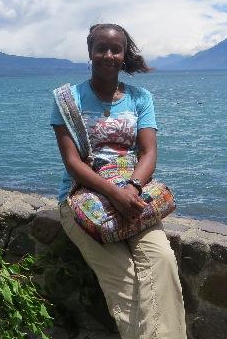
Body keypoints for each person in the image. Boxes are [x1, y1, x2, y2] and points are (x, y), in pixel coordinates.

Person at [50, 23, 187, 339]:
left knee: (163, 263)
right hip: (82, 199)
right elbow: (72, 162)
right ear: (90, 51)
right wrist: (114, 191)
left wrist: (131, 188)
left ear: (124, 55)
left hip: (131, 198)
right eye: (102, 48)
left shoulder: (140, 98)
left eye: (116, 49)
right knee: (125, 281)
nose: (109, 55)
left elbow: (149, 153)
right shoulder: (68, 100)